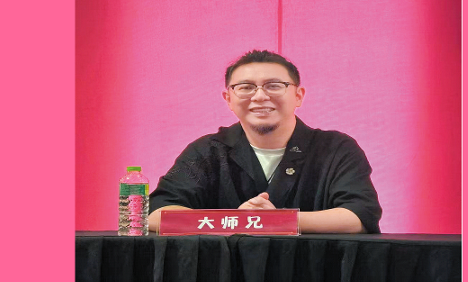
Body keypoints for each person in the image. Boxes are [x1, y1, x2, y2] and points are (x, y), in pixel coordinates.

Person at [147, 50, 382, 233]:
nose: (260, 96)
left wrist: (277, 221)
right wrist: (235, 221)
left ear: (298, 96)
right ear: (228, 99)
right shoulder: (206, 151)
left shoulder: (336, 149)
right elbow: (157, 214)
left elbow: (359, 216)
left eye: (274, 86)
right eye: (246, 87)